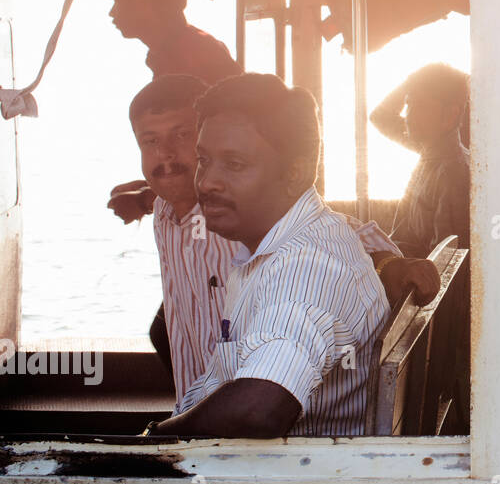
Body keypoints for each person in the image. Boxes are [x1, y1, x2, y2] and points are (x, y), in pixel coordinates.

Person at [126, 74, 440, 404]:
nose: (166, 155)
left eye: (181, 135)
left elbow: (336, 238)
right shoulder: (164, 211)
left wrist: (389, 265)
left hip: (241, 418)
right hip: (196, 410)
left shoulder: (244, 216)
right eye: (150, 142)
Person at [105, 0, 240, 226]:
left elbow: (221, 165)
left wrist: (143, 201)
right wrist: (148, 185)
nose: (112, 12)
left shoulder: (189, 58)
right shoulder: (189, 49)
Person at [370, 63, 471, 258]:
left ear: (450, 115)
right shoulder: (428, 149)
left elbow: (445, 268)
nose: (408, 117)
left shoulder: (453, 176)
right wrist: (412, 81)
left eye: (421, 106)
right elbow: (380, 116)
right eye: (409, 105)